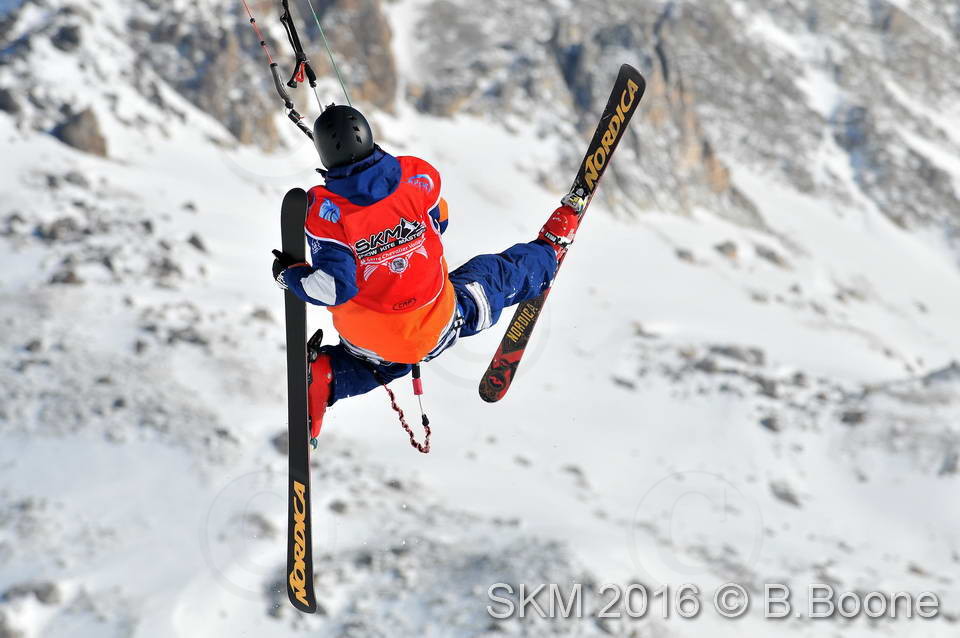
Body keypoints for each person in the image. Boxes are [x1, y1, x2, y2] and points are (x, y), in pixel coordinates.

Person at [272, 104, 579, 437]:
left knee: (382, 361)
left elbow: (333, 287)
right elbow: (439, 220)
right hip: (433, 324)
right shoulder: (417, 175)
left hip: (367, 339)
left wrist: (289, 275)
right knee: (489, 277)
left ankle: (327, 379)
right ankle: (548, 253)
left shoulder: (326, 210)